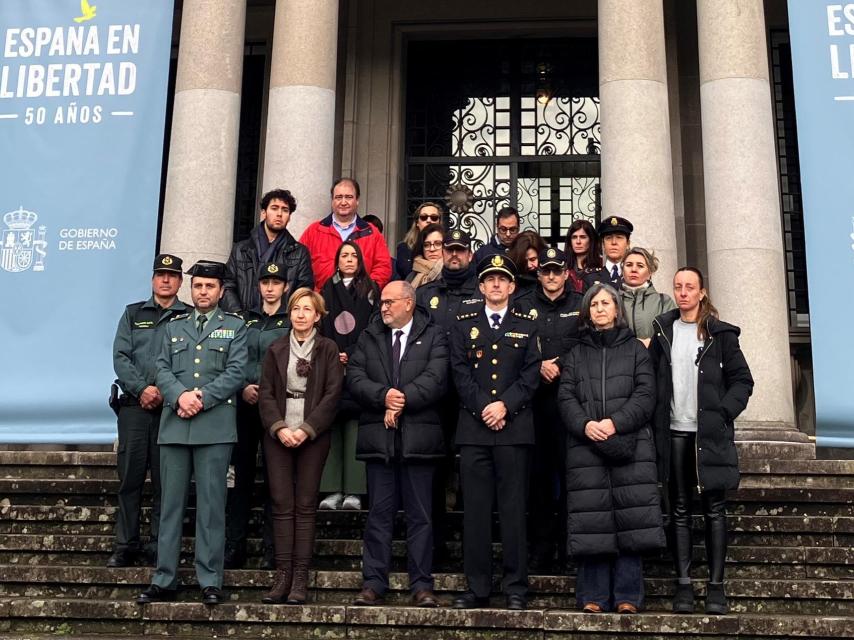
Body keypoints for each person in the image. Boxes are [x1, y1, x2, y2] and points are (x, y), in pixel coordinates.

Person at [137, 261, 248, 606]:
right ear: (191, 289)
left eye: (209, 287)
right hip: (175, 425)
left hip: (213, 427)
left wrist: (201, 397)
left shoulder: (234, 327)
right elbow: (161, 366)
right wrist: (179, 396)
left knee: (212, 507)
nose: (202, 292)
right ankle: (164, 577)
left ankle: (209, 580)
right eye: (198, 286)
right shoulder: (173, 327)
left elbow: (236, 370)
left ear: (220, 291)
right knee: (170, 506)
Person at [650, 267, 754, 615]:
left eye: (689, 287)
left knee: (714, 509)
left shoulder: (720, 335)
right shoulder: (664, 330)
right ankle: (683, 586)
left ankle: (716, 587)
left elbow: (742, 381)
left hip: (709, 434)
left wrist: (722, 413)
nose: (682, 293)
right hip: (675, 432)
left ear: (701, 292)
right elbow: (652, 380)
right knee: (678, 509)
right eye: (678, 287)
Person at [557, 282, 665, 614]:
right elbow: (566, 397)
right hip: (585, 446)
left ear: (617, 309)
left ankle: (628, 597)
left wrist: (615, 423)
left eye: (606, 303)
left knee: (631, 519)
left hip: (629, 444)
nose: (601, 308)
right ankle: (593, 596)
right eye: (594, 304)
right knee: (593, 521)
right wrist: (586, 425)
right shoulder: (576, 353)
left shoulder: (636, 350)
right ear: (587, 312)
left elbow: (646, 395)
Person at [347, 281, 449, 607]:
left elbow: (437, 377)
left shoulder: (433, 334)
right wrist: (384, 397)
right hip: (380, 440)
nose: (384, 307)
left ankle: (422, 584)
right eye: (382, 303)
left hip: (419, 439)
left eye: (390, 302)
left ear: (408, 302)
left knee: (421, 517)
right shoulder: (369, 335)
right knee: (379, 514)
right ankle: (374, 582)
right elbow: (355, 375)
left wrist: (401, 400)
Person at [449, 254, 540, 611]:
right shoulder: (462, 323)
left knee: (514, 511)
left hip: (514, 429)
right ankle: (478, 587)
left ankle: (516, 586)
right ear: (482, 286)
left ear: (512, 286)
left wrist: (505, 406)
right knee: (476, 512)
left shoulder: (527, 324)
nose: (497, 284)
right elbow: (459, 372)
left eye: (503, 279)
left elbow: (531, 374)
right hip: (474, 430)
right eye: (490, 279)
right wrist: (484, 409)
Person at [257, 287, 344, 604]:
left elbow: (333, 394)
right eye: (296, 308)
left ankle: (300, 579)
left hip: (313, 435)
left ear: (318, 315)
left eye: (307, 309)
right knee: (282, 504)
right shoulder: (276, 348)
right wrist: (279, 428)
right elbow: (265, 393)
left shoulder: (328, 349)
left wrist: (306, 429)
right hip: (278, 432)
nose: (301, 314)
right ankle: (282, 576)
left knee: (306, 505)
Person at [109, 254, 190, 568]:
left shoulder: (188, 317)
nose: (166, 280)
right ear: (153, 279)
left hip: (171, 411)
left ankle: (159, 545)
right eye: (160, 274)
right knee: (129, 479)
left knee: (165, 482)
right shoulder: (133, 314)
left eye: (171, 275)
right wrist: (143, 388)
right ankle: (125, 544)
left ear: (180, 281)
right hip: (134, 408)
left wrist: (165, 392)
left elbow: (189, 364)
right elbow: (121, 357)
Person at [512, 248, 582, 571]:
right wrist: (538, 365)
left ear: (566, 273)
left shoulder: (581, 304)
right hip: (534, 404)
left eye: (557, 271)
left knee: (571, 478)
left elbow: (586, 344)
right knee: (537, 481)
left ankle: (569, 548)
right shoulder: (523, 305)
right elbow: (514, 346)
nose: (551, 276)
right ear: (538, 274)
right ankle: (540, 549)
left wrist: (562, 365)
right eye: (546, 271)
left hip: (570, 405)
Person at [416, 229, 482, 555]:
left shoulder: (482, 294)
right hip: (435, 396)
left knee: (472, 469)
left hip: (471, 394)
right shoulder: (426, 294)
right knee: (434, 470)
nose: (454, 256)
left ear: (470, 255)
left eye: (460, 251)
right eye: (449, 250)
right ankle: (436, 545)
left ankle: (473, 545)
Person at [224, 263, 291, 569]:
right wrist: (242, 387)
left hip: (276, 408)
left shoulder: (290, 322)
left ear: (285, 287)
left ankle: (271, 548)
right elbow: (231, 359)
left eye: (276, 282)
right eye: (265, 281)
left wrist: (264, 390)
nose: (269, 287)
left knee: (275, 480)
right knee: (241, 479)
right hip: (244, 406)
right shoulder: (243, 321)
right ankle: (235, 546)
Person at [318, 241, 378, 510]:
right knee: (330, 423)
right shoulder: (326, 290)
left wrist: (352, 353)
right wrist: (334, 353)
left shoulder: (371, 289)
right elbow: (320, 325)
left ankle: (354, 490)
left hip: (361, 364)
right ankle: (331, 489)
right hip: (330, 364)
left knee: (355, 426)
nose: (349, 260)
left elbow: (375, 326)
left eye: (354, 255)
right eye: (344, 255)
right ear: (337, 260)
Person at [223, 189, 314, 313]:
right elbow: (228, 286)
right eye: (274, 208)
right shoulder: (240, 249)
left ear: (289, 217)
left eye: (285, 210)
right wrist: (238, 316)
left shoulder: (300, 252)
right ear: (263, 213)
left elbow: (303, 291)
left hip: (282, 324)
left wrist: (285, 319)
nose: (279, 214)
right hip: (243, 321)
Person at [299, 178, 392, 291]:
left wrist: (368, 291)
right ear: (332, 201)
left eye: (349, 197)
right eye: (338, 197)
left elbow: (383, 267)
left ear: (357, 200)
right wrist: (314, 296)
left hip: (361, 303)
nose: (343, 202)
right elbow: (300, 265)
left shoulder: (372, 233)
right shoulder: (314, 231)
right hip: (322, 302)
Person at [619, 247, 677, 346]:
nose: (633, 269)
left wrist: (652, 343)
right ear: (622, 269)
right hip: (620, 359)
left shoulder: (663, 302)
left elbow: (674, 334)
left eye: (640, 266)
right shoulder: (612, 300)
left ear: (650, 272)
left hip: (653, 359)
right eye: (629, 265)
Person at [395, 202, 443, 280]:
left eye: (434, 217)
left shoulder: (447, 246)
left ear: (439, 222)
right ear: (417, 222)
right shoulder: (404, 248)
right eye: (424, 217)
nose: (429, 220)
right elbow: (406, 272)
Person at [583, 216, 633, 290]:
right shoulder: (591, 278)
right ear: (603, 244)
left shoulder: (634, 275)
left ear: (628, 243)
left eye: (619, 237)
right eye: (608, 238)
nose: (613, 242)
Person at [507, 230, 546, 304]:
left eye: (533, 259)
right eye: (524, 261)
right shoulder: (510, 280)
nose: (529, 265)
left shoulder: (551, 277)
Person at [562, 219, 602, 293]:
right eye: (574, 237)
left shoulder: (601, 265)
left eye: (583, 237)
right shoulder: (563, 266)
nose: (578, 242)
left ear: (591, 240)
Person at [406, 223, 444, 289]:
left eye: (438, 244)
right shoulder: (413, 274)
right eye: (426, 245)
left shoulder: (450, 271)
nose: (432, 249)